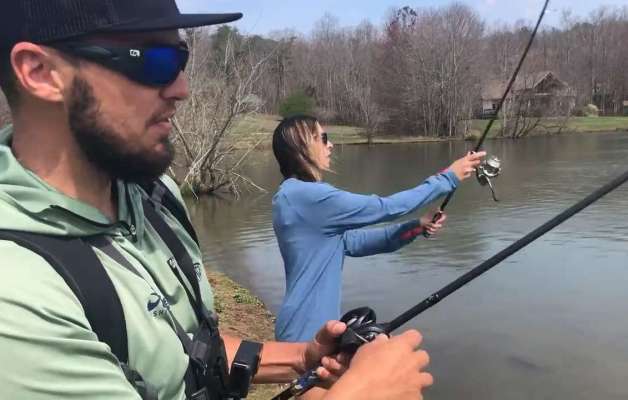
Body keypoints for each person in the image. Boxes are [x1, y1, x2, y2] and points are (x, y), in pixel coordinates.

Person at [0, 1, 434, 399]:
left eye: (181, 58)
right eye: (154, 60)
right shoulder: (16, 300)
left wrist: (301, 358)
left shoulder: (155, 196)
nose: (181, 87)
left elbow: (186, 354)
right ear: (40, 71)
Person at [272, 115, 486, 341]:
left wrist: (416, 226)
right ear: (302, 145)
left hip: (309, 328)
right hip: (304, 332)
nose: (330, 145)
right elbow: (386, 207)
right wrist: (448, 178)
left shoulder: (294, 197)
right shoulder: (307, 197)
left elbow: (358, 242)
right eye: (323, 138)